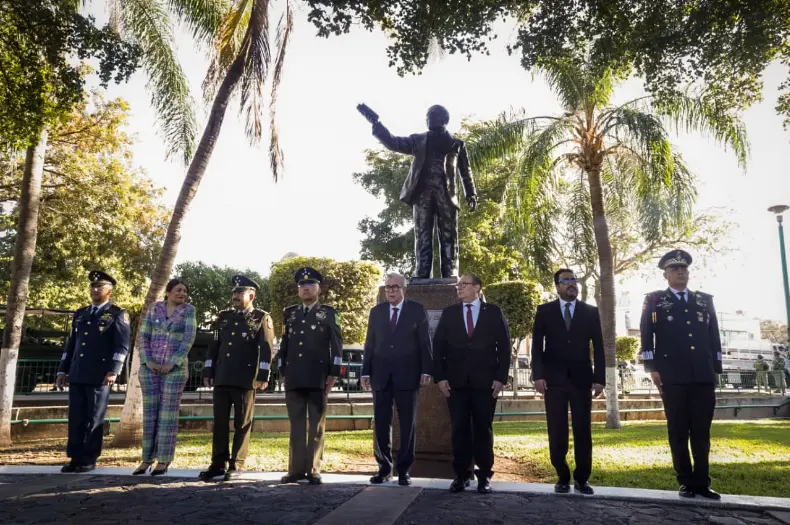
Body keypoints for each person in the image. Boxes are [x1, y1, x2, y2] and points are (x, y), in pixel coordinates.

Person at [640, 249, 722, 500]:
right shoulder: (654, 300)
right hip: (672, 376)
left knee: (701, 432)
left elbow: (714, 336)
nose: (681, 272)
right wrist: (651, 368)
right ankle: (685, 481)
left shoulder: (704, 300)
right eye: (675, 269)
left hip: (702, 376)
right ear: (665, 274)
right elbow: (646, 335)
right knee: (678, 430)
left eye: (684, 269)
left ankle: (702, 482)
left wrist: (716, 369)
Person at [362, 104, 477, 279]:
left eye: (433, 115)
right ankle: (422, 273)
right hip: (422, 194)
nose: (429, 118)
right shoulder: (418, 140)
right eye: (428, 116)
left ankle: (450, 273)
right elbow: (393, 142)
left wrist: (471, 193)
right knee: (423, 234)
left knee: (449, 236)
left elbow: (465, 171)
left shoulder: (457, 144)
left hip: (447, 194)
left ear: (444, 120)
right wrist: (377, 124)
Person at [432, 273, 510, 494]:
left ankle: (484, 475)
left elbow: (504, 347)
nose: (459, 288)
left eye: (464, 284)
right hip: (455, 383)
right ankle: (461, 475)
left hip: (485, 383)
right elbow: (438, 347)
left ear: (477, 287)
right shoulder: (450, 313)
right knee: (459, 429)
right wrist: (441, 377)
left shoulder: (493, 312)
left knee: (483, 429)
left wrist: (500, 378)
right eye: (458, 285)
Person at [530, 269, 605, 495]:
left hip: (582, 381)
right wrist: (538, 375)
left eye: (574, 280)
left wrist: (599, 378)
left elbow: (599, 347)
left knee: (583, 429)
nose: (572, 284)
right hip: (553, 381)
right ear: (557, 286)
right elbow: (537, 347)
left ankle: (582, 478)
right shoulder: (544, 312)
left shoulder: (590, 312)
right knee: (557, 429)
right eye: (566, 280)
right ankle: (562, 475)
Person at [198, 275, 274, 482]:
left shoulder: (261, 317)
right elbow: (214, 346)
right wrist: (208, 371)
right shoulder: (223, 317)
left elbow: (266, 349)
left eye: (240, 293)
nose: (236, 296)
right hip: (222, 377)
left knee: (242, 423)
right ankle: (217, 463)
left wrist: (263, 374)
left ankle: (236, 464)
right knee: (220, 422)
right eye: (234, 292)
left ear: (252, 295)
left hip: (245, 378)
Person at [361, 273, 433, 486]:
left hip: (408, 376)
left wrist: (426, 370)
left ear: (404, 289)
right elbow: (369, 344)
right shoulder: (376, 312)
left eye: (395, 287)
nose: (390, 291)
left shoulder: (416, 310)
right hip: (381, 376)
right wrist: (366, 372)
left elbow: (424, 343)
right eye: (387, 287)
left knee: (407, 424)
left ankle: (404, 470)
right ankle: (384, 468)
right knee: (381, 424)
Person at [55, 271, 130, 473]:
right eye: (93, 286)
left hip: (100, 374)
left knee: (94, 417)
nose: (95, 290)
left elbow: (122, 346)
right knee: (76, 416)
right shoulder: (81, 313)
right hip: (78, 372)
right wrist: (62, 370)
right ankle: (75, 457)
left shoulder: (117, 314)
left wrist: (114, 370)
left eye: (100, 286)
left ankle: (89, 458)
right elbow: (71, 345)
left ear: (109, 290)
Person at [279, 267, 343, 485]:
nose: (305, 289)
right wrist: (282, 370)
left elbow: (337, 346)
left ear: (319, 288)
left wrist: (334, 372)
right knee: (296, 424)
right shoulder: (290, 313)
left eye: (310, 285)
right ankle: (295, 470)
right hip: (294, 375)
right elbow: (284, 344)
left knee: (316, 425)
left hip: (318, 376)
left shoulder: (329, 313)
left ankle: (314, 469)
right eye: (301, 286)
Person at [134, 279, 197, 476]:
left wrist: (174, 362)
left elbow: (188, 339)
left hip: (175, 371)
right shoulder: (155, 309)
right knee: (150, 414)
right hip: (150, 369)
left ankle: (163, 460)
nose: (182, 294)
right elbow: (143, 336)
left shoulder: (188, 311)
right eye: (178, 290)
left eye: (185, 291)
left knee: (167, 416)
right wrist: (147, 361)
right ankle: (146, 460)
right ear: (168, 291)